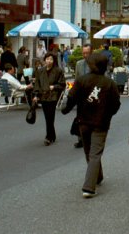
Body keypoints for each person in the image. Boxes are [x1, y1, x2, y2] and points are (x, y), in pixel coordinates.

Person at [62, 53, 121, 198]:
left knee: (89, 153)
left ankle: (93, 181)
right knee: (95, 154)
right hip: (101, 122)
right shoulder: (109, 83)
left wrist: (65, 109)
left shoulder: (82, 80)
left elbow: (71, 98)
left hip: (83, 121)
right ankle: (92, 183)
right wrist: (107, 114)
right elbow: (116, 105)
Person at [32, 53, 66, 146]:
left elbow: (62, 84)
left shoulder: (58, 71)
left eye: (51, 59)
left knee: (50, 116)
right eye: (47, 59)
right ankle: (52, 135)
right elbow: (37, 84)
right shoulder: (40, 71)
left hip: (53, 96)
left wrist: (54, 87)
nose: (49, 61)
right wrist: (35, 95)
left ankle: (48, 137)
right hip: (43, 96)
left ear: (54, 60)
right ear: (44, 60)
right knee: (47, 117)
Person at [71, 43, 94, 148]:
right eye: (84, 53)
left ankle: (91, 138)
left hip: (93, 96)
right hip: (81, 96)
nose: (85, 55)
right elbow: (76, 80)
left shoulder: (96, 64)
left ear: (92, 52)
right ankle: (80, 139)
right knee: (80, 118)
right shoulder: (79, 64)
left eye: (87, 53)